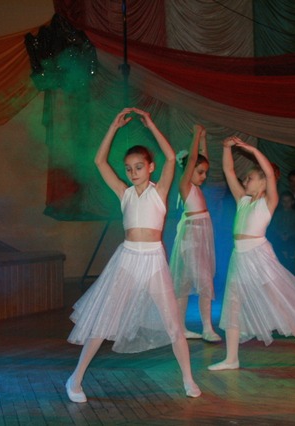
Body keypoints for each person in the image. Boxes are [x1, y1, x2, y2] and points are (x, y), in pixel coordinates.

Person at [66, 108, 201, 403]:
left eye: (139, 167)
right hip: (127, 260)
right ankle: (75, 379)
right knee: (104, 321)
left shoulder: (159, 191)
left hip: (153, 261)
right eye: (128, 168)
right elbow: (99, 162)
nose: (133, 172)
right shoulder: (124, 193)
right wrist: (113, 128)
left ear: (150, 167)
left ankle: (188, 379)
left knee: (174, 325)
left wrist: (151, 124)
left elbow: (170, 158)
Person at [208, 136, 295, 371]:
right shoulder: (242, 200)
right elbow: (229, 171)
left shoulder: (269, 201)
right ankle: (232, 358)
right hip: (239, 257)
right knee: (233, 305)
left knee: (279, 302)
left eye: (249, 178)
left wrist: (252, 150)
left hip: (259, 256)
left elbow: (270, 173)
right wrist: (226, 148)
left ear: (262, 182)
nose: (245, 181)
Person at [169, 125, 221, 343]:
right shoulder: (185, 186)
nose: (204, 176)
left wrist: (204, 140)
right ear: (189, 171)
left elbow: (201, 159)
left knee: (192, 282)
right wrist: (197, 135)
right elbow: (193, 160)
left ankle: (186, 328)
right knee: (198, 281)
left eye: (205, 172)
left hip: (200, 237)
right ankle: (206, 328)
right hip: (191, 238)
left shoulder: (195, 187)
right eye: (200, 172)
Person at [268, 190, 295, 278]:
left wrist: (289, 234)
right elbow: (274, 227)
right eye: (284, 201)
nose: (286, 203)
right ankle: (283, 266)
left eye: (288, 201)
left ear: (292, 202)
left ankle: (292, 267)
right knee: (275, 245)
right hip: (280, 237)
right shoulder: (277, 214)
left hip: (293, 236)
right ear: (281, 202)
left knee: (292, 244)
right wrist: (281, 234)